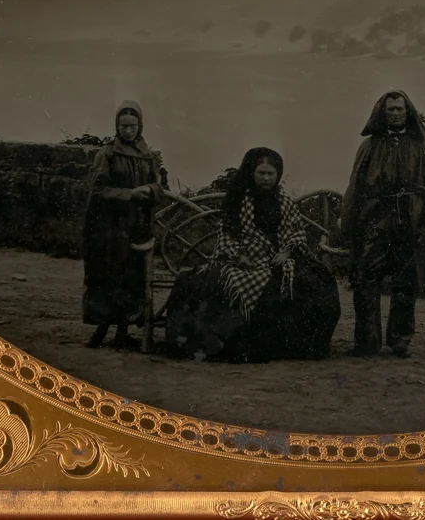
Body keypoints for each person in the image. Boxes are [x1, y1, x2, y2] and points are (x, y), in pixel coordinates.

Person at [164, 147, 340, 362]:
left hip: (277, 257)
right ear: (251, 173)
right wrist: (238, 255)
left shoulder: (284, 201)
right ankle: (234, 345)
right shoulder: (238, 200)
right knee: (220, 282)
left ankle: (290, 346)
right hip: (242, 258)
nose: (266, 178)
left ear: (278, 175)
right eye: (261, 173)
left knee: (313, 283)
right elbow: (226, 234)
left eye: (271, 174)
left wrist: (286, 252)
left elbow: (296, 231)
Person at [341, 90, 425, 358]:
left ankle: (400, 342)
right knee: (365, 280)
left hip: (410, 223)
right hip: (375, 222)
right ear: (382, 113)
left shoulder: (423, 147)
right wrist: (350, 225)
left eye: (400, 109)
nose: (396, 113)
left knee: (406, 282)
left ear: (408, 112)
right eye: (390, 109)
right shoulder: (369, 146)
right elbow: (355, 187)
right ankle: (367, 342)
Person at [82, 100, 168, 350]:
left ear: (140, 126)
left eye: (133, 126)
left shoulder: (147, 155)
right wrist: (129, 194)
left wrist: (150, 189)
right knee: (109, 276)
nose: (128, 131)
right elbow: (98, 191)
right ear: (117, 126)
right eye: (124, 126)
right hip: (111, 228)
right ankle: (101, 329)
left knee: (133, 277)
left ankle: (123, 330)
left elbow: (158, 186)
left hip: (138, 226)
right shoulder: (108, 154)